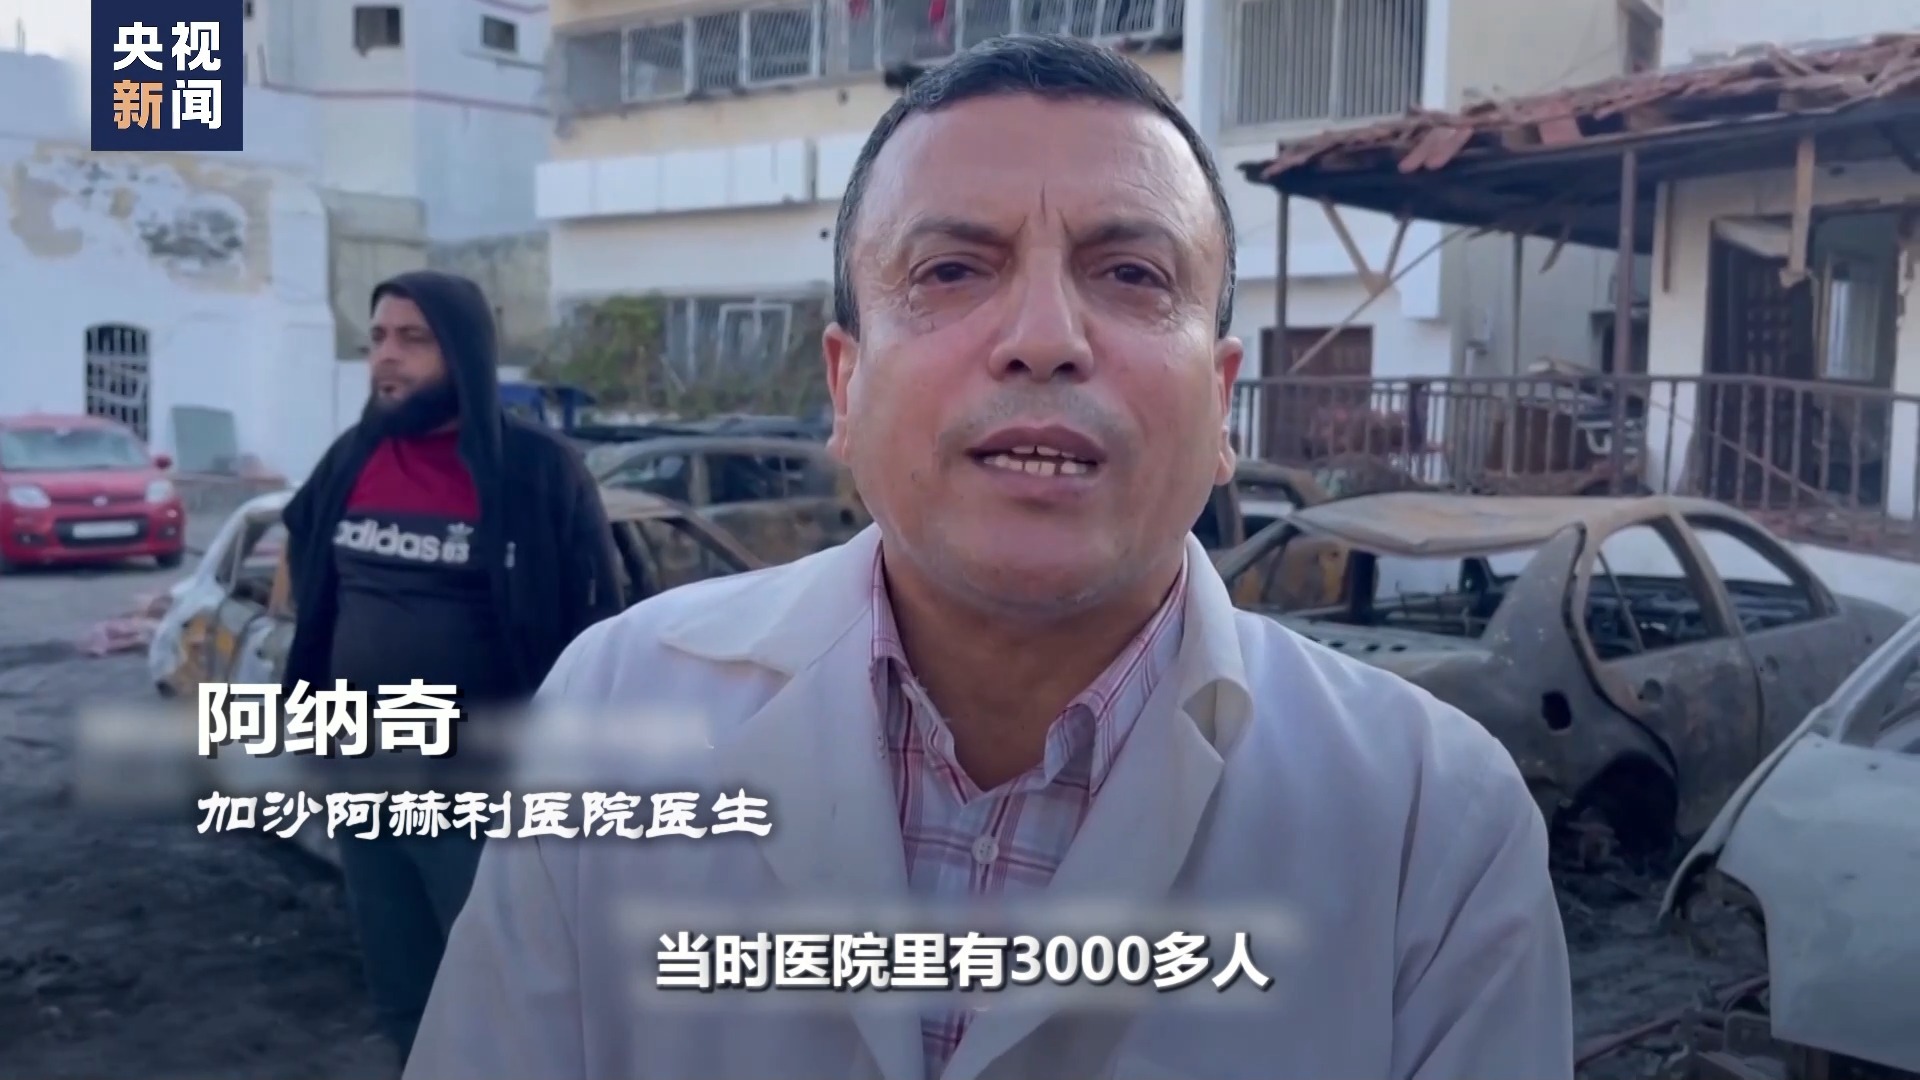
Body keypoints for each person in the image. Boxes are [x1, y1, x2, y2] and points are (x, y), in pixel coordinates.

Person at [405, 35, 1574, 1080]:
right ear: (845, 385)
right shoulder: (617, 707)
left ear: (1222, 405)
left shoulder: (1434, 822)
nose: (1044, 339)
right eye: (951, 271)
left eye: (1133, 275)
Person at [279, 269, 624, 1065]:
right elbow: (305, 552)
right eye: (377, 338)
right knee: (403, 990)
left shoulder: (535, 472)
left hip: (479, 793)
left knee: (507, 996)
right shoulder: (353, 457)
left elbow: (597, 624)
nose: (385, 356)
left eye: (412, 339)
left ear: (462, 352)